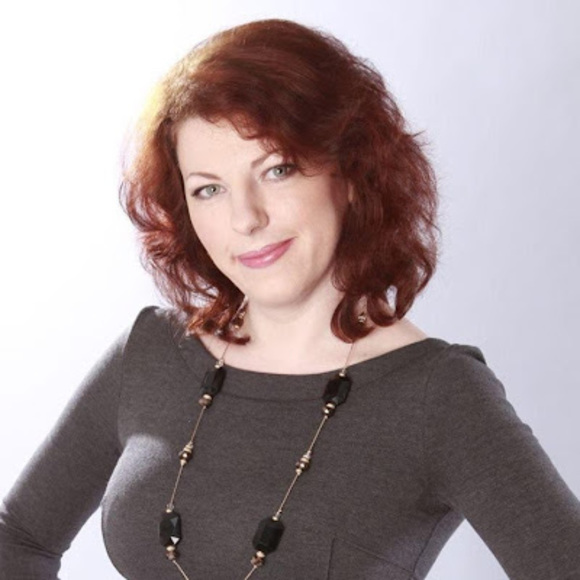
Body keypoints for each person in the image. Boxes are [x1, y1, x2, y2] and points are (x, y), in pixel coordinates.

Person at [1, 17, 579, 580]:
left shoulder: (438, 395)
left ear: (351, 173)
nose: (245, 218)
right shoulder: (152, 352)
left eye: (277, 170)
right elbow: (17, 541)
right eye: (209, 189)